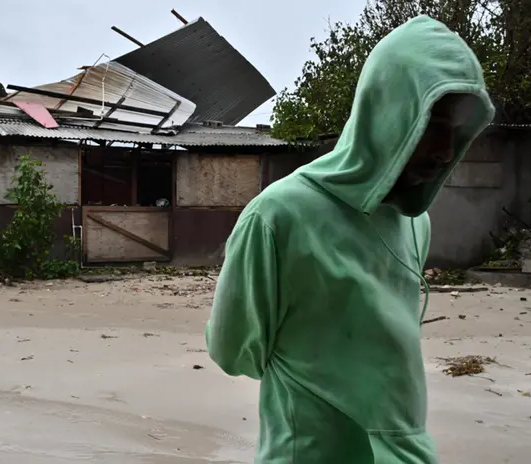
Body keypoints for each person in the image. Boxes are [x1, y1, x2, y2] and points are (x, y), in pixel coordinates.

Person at [205, 15, 495, 463]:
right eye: (430, 126)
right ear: (386, 112)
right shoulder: (278, 216)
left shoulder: (413, 220)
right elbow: (233, 350)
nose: (443, 152)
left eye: (455, 133)